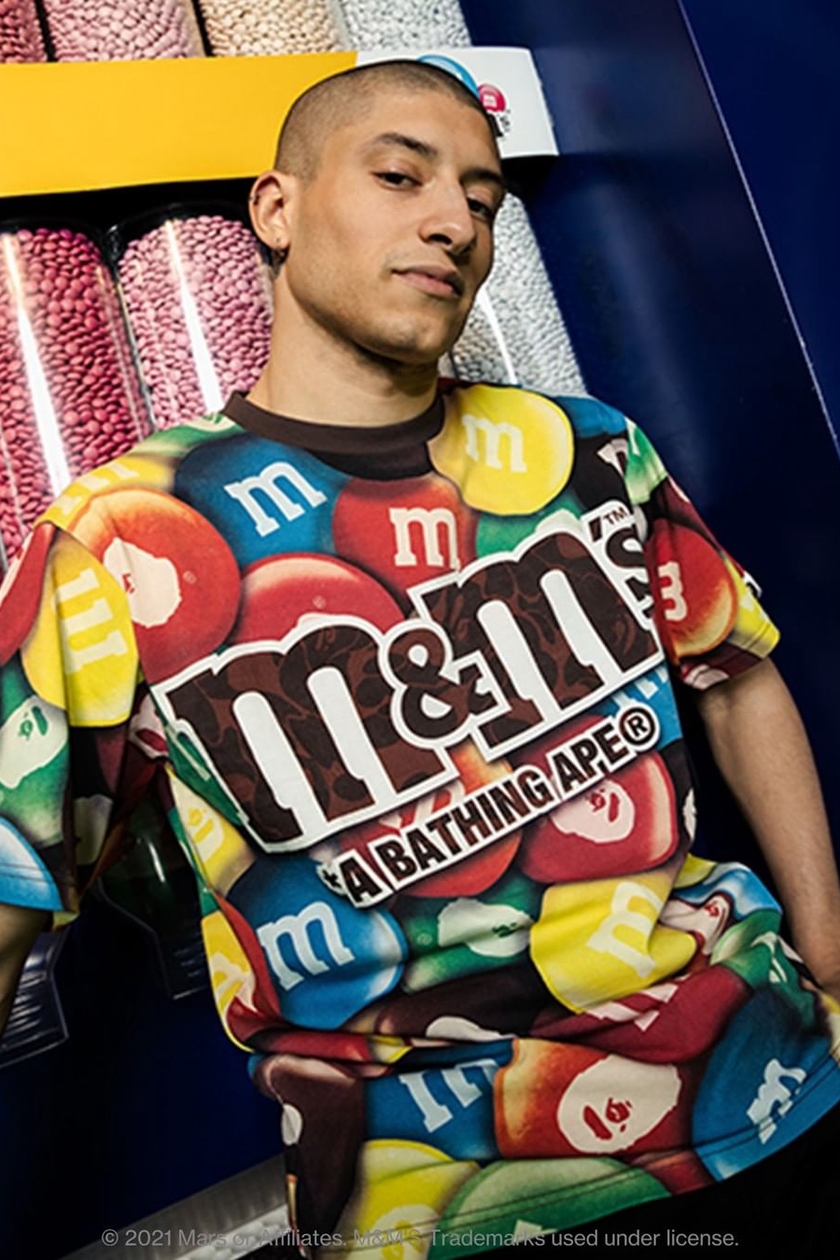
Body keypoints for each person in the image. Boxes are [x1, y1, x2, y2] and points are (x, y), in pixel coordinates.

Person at [2, 59, 840, 1259]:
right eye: (401, 177)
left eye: (483, 199)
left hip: (766, 1089)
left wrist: (827, 950)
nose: (454, 220)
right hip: (434, 1195)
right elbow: (12, 880)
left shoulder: (586, 447)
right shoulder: (117, 539)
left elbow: (737, 670)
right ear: (276, 209)